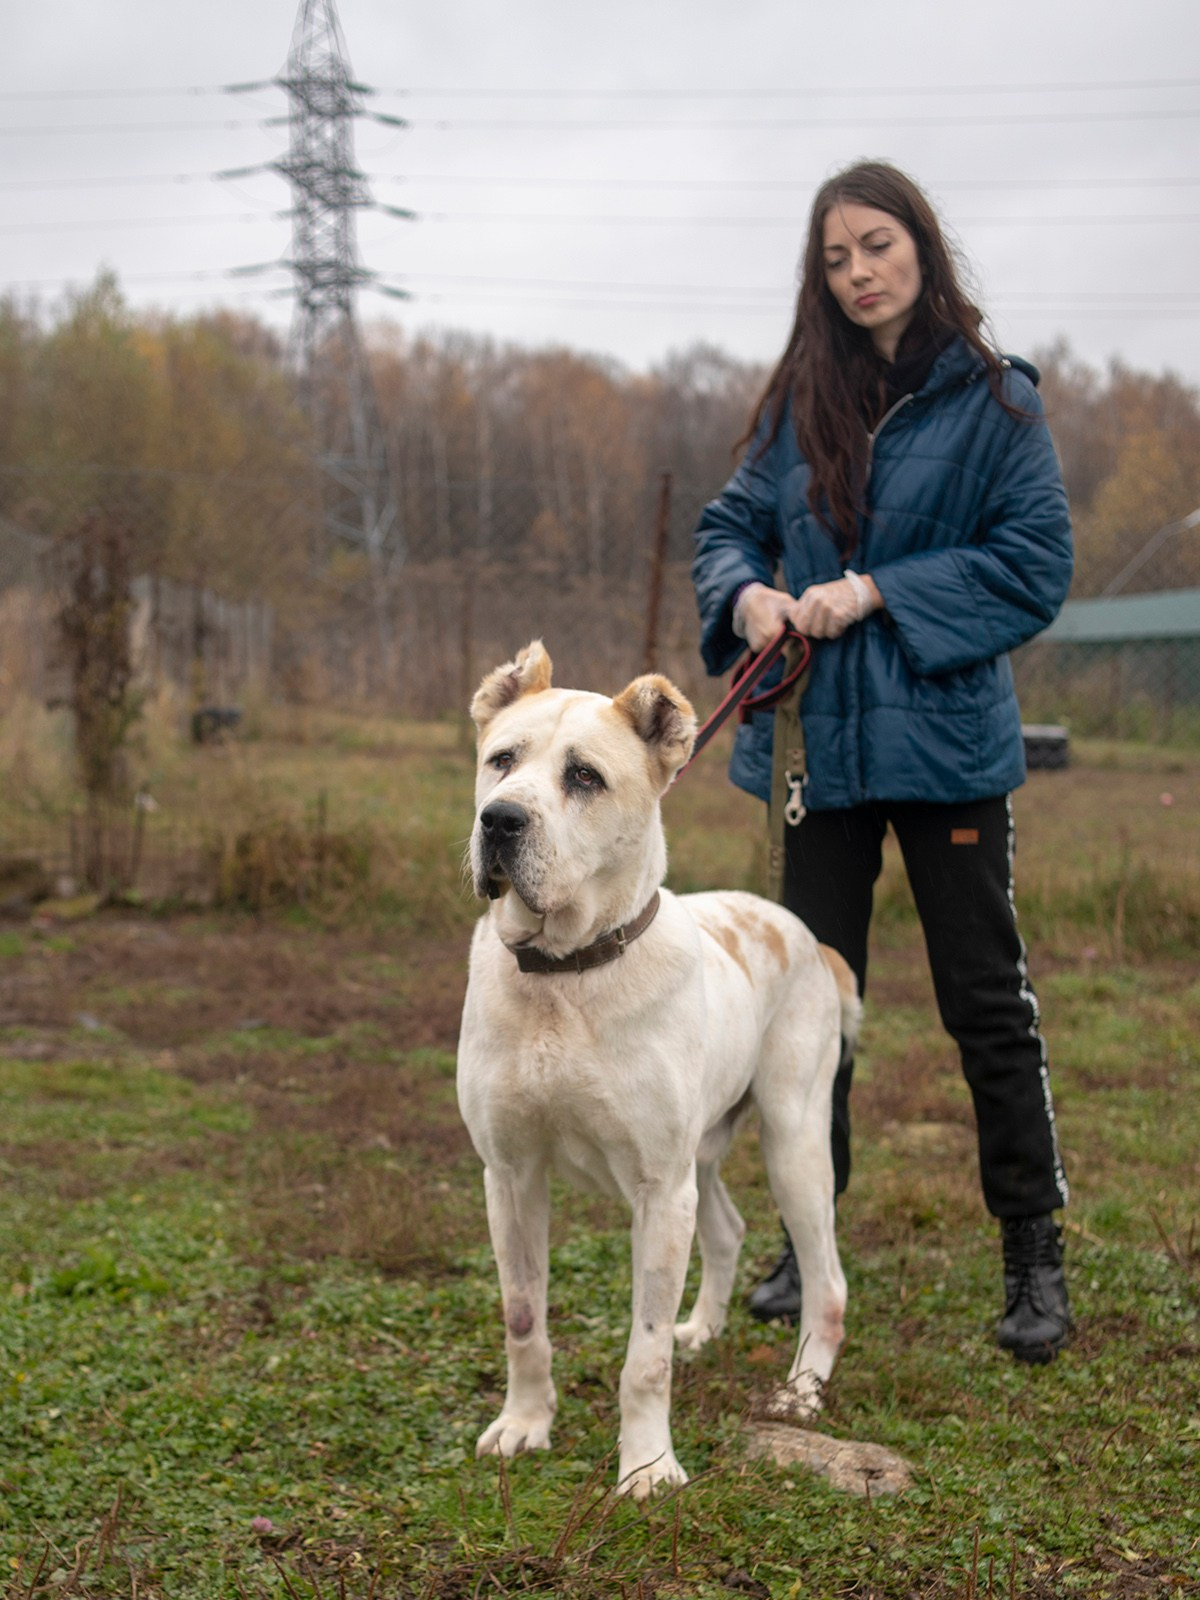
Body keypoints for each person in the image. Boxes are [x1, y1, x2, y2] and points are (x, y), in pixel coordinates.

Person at [691, 160, 1073, 1364]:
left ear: (922, 245)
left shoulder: (998, 404)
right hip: (816, 757)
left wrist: (877, 591)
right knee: (803, 1015)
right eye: (836, 257)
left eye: (877, 246)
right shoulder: (799, 398)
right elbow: (724, 528)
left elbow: (1032, 564)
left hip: (950, 749)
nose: (858, 273)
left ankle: (1033, 1252)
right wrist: (747, 594)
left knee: (984, 1003)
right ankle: (806, 1244)